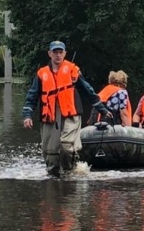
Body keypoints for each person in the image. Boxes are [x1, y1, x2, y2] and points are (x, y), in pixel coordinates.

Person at [23, 40, 112, 177]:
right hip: (50, 116)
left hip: (71, 114)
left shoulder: (72, 70)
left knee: (66, 146)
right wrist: (27, 115)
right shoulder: (42, 74)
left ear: (64, 53)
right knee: (50, 155)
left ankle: (71, 170)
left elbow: (88, 90)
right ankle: (54, 178)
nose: (58, 55)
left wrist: (102, 110)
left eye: (60, 52)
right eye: (55, 52)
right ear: (49, 54)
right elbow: (32, 96)